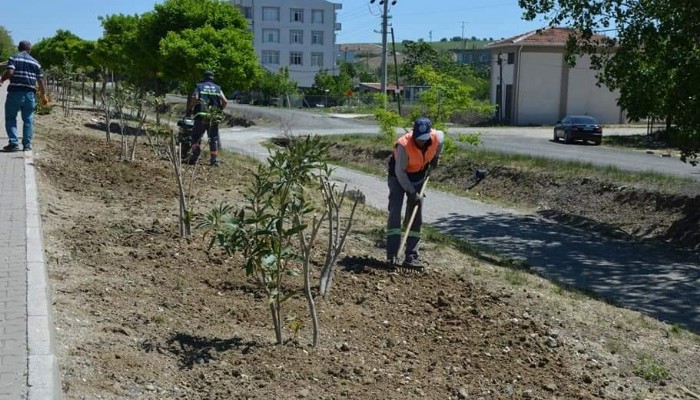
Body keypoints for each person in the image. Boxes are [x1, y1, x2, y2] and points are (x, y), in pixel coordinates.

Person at [386, 117, 444, 269]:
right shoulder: (403, 145)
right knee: (395, 212)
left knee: (416, 215)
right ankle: (392, 255)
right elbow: (400, 173)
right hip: (398, 177)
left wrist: (436, 158)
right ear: (413, 133)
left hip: (418, 177)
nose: (422, 142)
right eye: (418, 138)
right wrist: (412, 193)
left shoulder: (437, 136)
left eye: (424, 139)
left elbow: (440, 144)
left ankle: (411, 256)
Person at [0, 41, 48, 152]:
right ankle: (27, 145)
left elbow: (10, 72)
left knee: (11, 118)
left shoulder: (14, 58)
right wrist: (43, 95)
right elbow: (40, 80)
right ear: (29, 50)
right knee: (28, 119)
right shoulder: (36, 63)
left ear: (19, 48)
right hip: (30, 95)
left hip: (15, 93)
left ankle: (13, 143)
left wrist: (2, 80)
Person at [186, 70, 228, 166]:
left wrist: (190, 108)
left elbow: (195, 98)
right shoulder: (218, 88)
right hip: (213, 117)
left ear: (203, 77)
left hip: (201, 116)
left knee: (196, 137)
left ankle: (195, 157)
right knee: (213, 138)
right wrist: (219, 110)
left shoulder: (199, 86)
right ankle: (214, 160)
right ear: (212, 78)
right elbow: (225, 101)